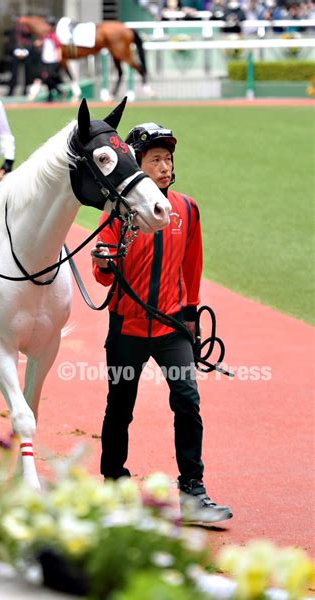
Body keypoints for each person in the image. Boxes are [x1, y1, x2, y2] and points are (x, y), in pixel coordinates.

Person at [91, 122, 233, 524]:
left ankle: (192, 492)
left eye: (168, 159)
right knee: (120, 409)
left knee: (187, 403)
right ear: (137, 164)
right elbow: (104, 277)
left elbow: (193, 265)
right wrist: (103, 264)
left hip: (173, 329)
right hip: (127, 329)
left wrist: (191, 318)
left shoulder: (187, 209)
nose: (165, 166)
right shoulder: (118, 212)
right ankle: (114, 487)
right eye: (156, 159)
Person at [6, 17, 35, 97]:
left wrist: (26, 52)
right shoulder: (14, 31)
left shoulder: (29, 30)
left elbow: (32, 43)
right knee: (14, 73)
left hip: (27, 54)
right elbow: (10, 43)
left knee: (27, 73)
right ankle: (11, 90)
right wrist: (16, 52)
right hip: (16, 54)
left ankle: (25, 90)